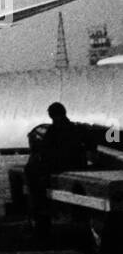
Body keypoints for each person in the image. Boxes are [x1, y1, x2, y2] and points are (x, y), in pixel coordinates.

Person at [25, 101, 93, 235]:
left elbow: (44, 150)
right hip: (77, 164)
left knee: (31, 174)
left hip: (58, 166)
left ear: (51, 115)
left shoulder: (53, 130)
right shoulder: (76, 128)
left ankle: (40, 214)